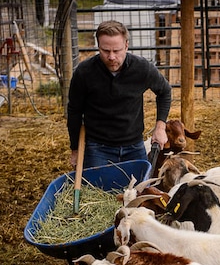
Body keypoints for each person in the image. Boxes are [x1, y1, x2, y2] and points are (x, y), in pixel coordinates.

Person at [66, 20, 172, 169]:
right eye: (105, 50)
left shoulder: (141, 68)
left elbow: (165, 91)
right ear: (98, 46)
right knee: (98, 190)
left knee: (139, 190)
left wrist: (160, 127)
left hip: (134, 146)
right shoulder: (85, 72)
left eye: (116, 51)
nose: (111, 57)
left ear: (126, 46)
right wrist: (75, 149)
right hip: (98, 148)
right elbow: (74, 111)